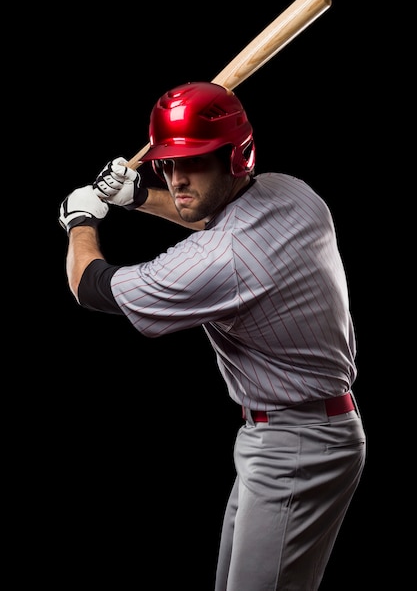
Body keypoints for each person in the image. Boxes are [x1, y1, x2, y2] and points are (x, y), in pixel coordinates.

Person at [59, 81, 366, 590]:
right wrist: (137, 197)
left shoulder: (223, 259)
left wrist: (80, 221)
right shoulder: (291, 192)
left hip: (298, 444)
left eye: (194, 161)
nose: (177, 178)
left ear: (235, 157)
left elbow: (92, 287)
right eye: (168, 163)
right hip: (298, 434)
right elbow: (214, 222)